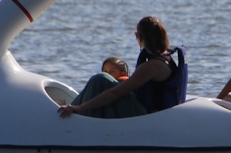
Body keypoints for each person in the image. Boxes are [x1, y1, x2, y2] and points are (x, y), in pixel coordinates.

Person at [58, 17, 186, 118]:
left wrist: (81, 107)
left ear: (140, 37)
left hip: (145, 114)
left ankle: (73, 111)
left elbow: (114, 94)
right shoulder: (165, 56)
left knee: (100, 80)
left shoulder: (152, 66)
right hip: (146, 107)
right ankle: (70, 107)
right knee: (105, 81)